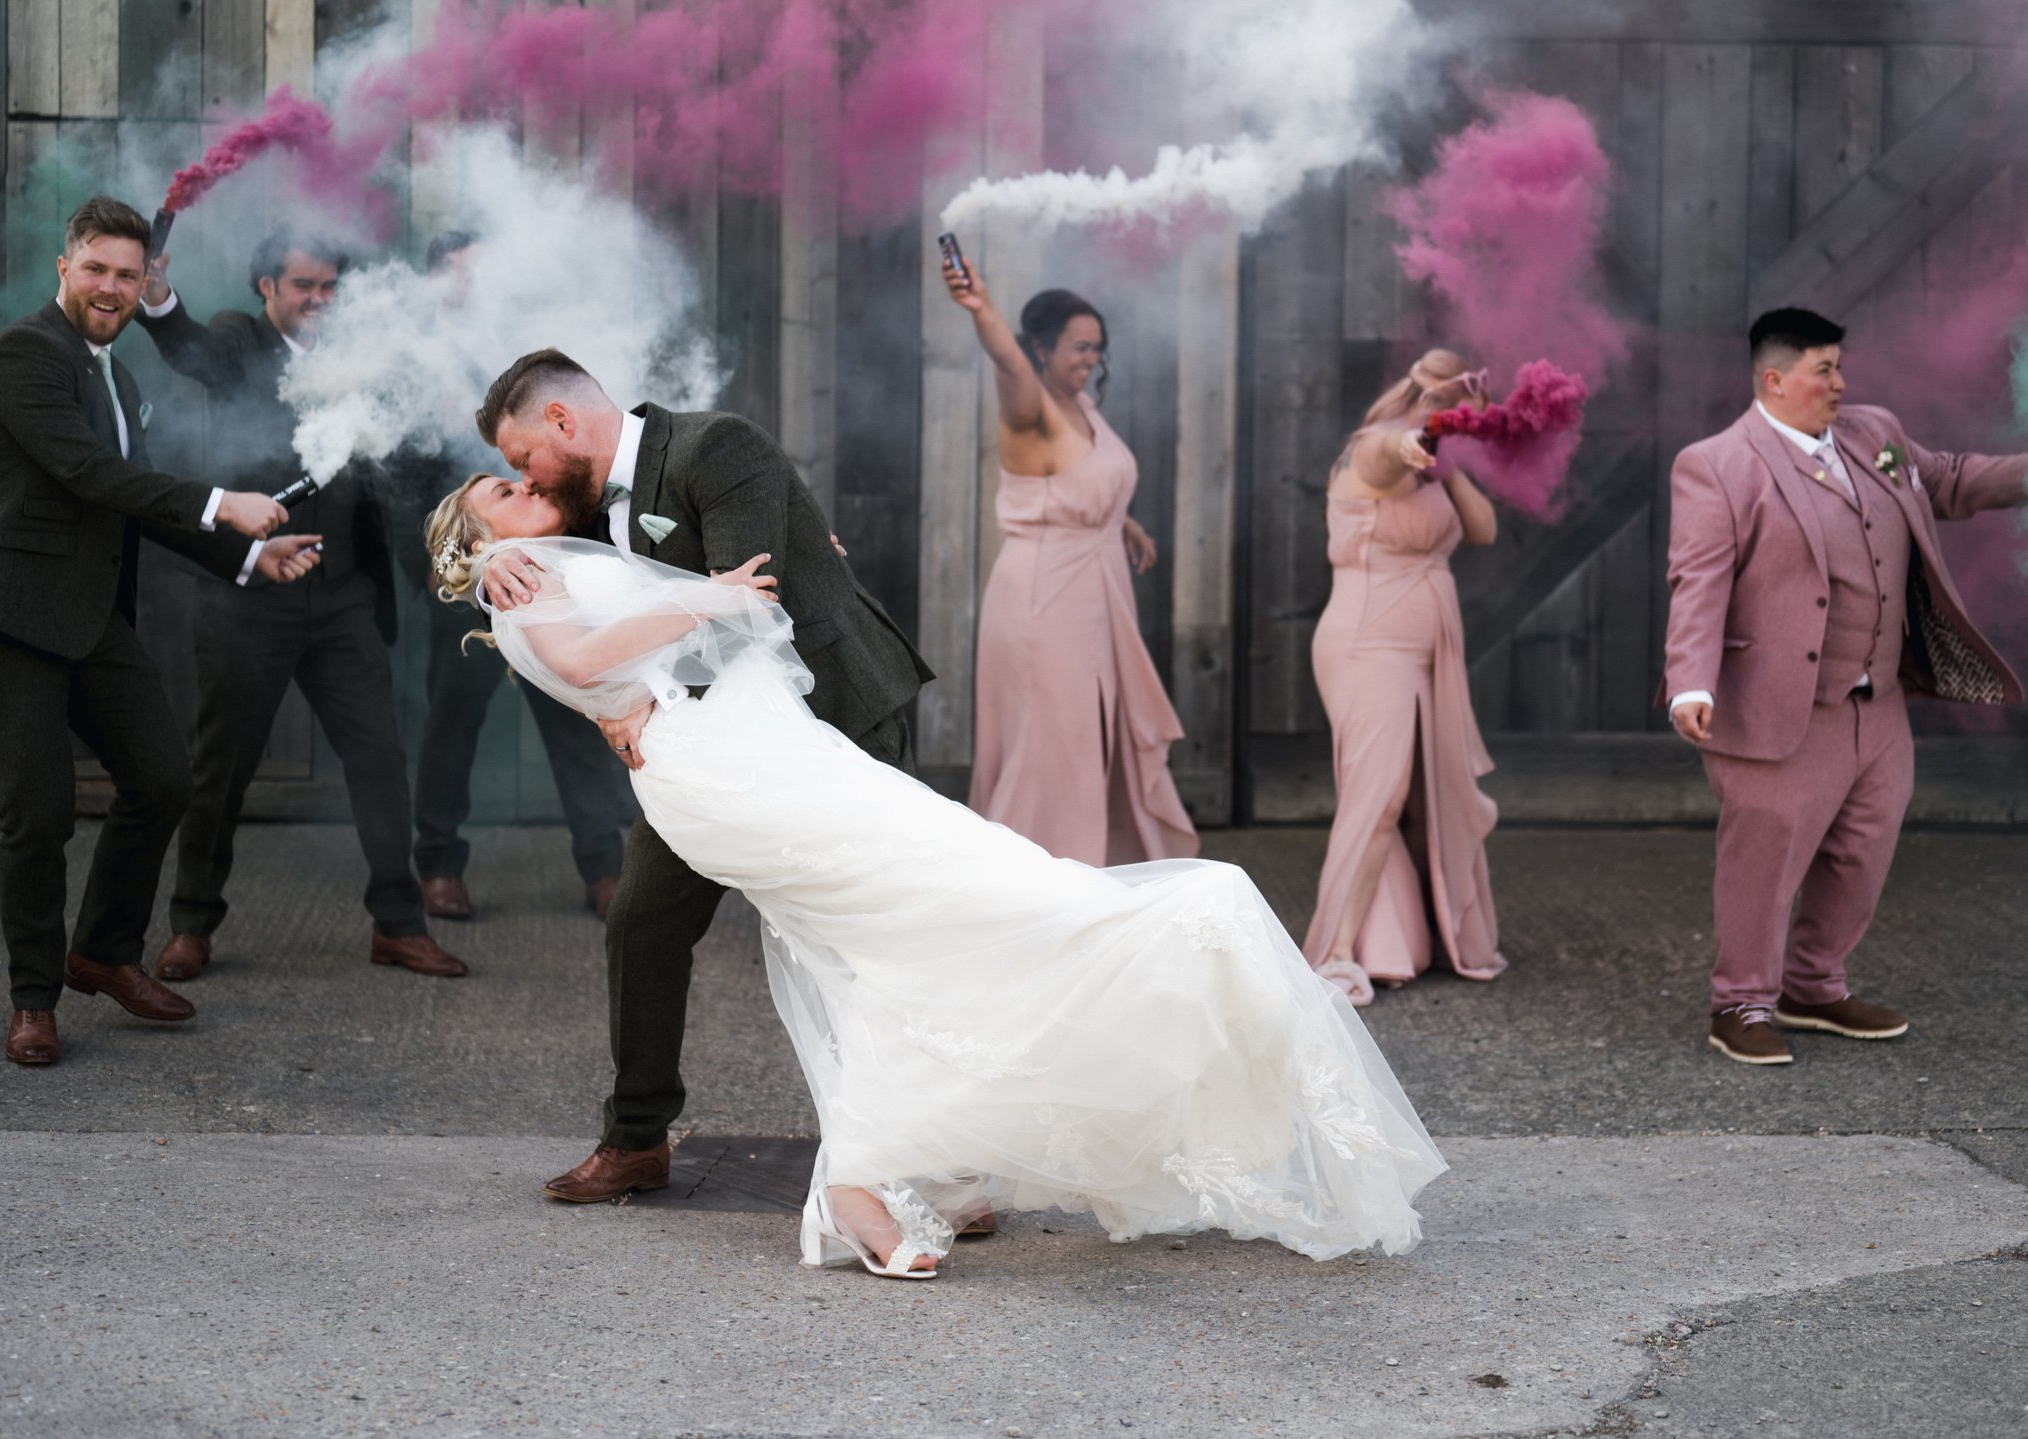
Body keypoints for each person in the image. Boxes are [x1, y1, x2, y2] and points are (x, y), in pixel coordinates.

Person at [426, 477, 1444, 1275]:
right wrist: (708, 595)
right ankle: (868, 1183)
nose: (517, 489)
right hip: (726, 771)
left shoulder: (564, 549)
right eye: (497, 498)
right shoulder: (519, 578)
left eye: (511, 481)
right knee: (927, 918)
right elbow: (586, 645)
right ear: (484, 546)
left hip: (753, 748)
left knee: (928, 925)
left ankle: (919, 1166)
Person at [472, 349, 936, 1204]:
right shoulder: (581, 510)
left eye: (520, 460)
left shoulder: (713, 447)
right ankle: (637, 1140)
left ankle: (923, 1160)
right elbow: (559, 597)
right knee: (641, 920)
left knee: (873, 937)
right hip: (716, 750)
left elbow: (751, 608)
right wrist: (483, 567)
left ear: (564, 426)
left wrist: (642, 706)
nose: (522, 479)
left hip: (835, 717)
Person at [0, 196, 319, 1065]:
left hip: (86, 614)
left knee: (163, 778)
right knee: (42, 809)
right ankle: (33, 999)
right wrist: (224, 501)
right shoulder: (25, 354)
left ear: (146, 285)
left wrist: (249, 558)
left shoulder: (119, 375)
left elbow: (135, 497)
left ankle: (102, 951)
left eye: (127, 274)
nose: (111, 286)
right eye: (96, 269)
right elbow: (87, 473)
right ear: (63, 269)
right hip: (6, 614)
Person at [1666, 307, 2028, 1066]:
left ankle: (1813, 983)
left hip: (1880, 702)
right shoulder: (1716, 464)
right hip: (1778, 705)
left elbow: (1951, 479)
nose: (1842, 382)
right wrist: (1688, 684)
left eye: (1840, 365)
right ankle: (1739, 1000)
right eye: (1823, 369)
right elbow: (1697, 582)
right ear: (1775, 380)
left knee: (1864, 848)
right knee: (1764, 860)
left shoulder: (1876, 434)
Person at [135, 230, 465, 981]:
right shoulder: (239, 339)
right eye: (303, 287)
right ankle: (192, 923)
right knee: (221, 766)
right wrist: (156, 299)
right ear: (266, 288)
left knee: (380, 758)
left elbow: (409, 453)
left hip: (345, 598)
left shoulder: (364, 353)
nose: (319, 301)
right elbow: (190, 350)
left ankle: (399, 924)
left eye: (330, 288)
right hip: (250, 594)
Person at [401, 233, 634, 921]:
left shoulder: (534, 359)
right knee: (453, 721)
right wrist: (478, 577)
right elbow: (404, 506)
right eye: (460, 278)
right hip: (464, 587)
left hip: (556, 567)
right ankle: (438, 864)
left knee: (574, 718)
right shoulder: (409, 362)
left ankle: (603, 864)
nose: (474, 291)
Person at [940, 259, 1196, 866]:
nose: (1091, 359)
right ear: (1041, 347)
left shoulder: (1082, 405)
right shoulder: (1029, 405)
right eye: (1080, 347)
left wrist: (1120, 521)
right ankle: (1030, 887)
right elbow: (1006, 362)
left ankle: (1086, 877)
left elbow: (1077, 480)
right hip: (1044, 599)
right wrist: (983, 308)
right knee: (1054, 743)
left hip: (1093, 593)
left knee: (1087, 741)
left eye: (1097, 349)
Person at [1299, 349, 1507, 1006]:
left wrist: (1454, 463)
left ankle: (1405, 938)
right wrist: (1419, 440)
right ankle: (1333, 951)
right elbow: (1391, 450)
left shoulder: (1442, 470)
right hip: (1368, 643)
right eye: (1460, 419)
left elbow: (1483, 530)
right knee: (1379, 795)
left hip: (1423, 652)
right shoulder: (1372, 448)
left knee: (1422, 795)